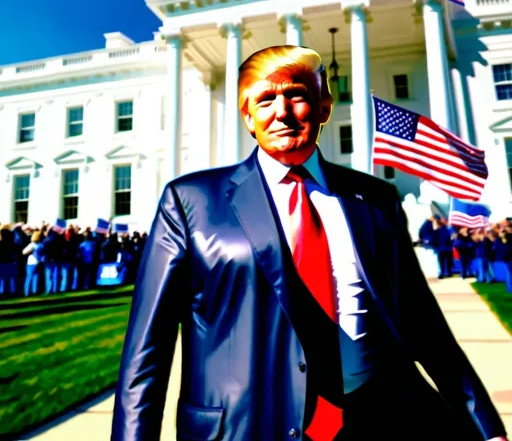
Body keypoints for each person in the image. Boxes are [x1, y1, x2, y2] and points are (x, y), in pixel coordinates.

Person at [111, 45, 507, 441]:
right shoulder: (192, 201)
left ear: (324, 108)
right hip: (244, 427)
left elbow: (423, 324)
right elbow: (147, 352)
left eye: (296, 95)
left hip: (373, 420)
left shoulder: (374, 200)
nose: (281, 112)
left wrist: (487, 428)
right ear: (248, 117)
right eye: (265, 100)